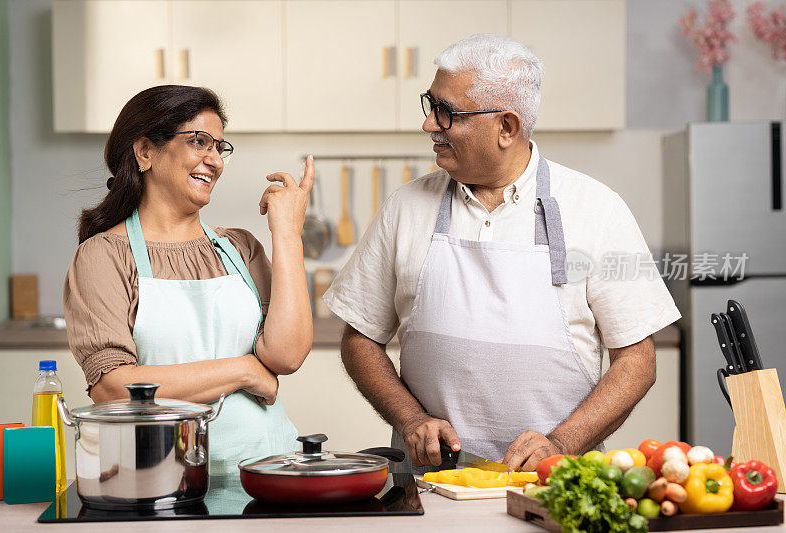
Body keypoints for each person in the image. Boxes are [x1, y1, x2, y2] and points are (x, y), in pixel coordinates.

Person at [323, 34, 681, 474]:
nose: (429, 125)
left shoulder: (597, 208)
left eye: (447, 113)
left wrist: (562, 443)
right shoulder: (405, 206)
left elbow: (638, 361)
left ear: (506, 128)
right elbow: (360, 337)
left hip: (554, 485)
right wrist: (411, 419)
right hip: (431, 485)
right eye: (430, 105)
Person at [63, 85, 313, 474]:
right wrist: (245, 371)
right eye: (199, 142)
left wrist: (287, 234)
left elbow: (286, 356)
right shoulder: (105, 256)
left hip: (267, 472)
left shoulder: (240, 248)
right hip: (159, 481)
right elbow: (112, 388)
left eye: (219, 146)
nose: (214, 160)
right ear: (145, 152)